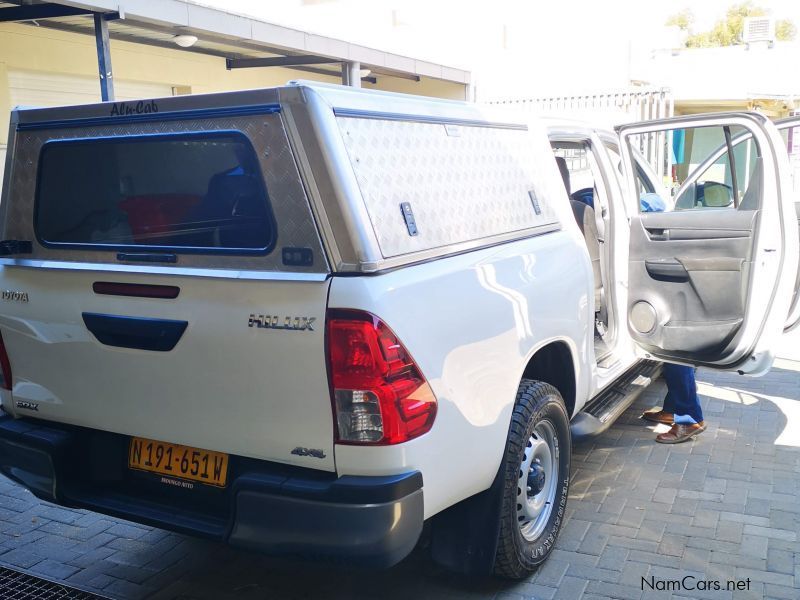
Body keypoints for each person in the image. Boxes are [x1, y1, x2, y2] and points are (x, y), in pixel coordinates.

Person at [638, 191, 706, 444]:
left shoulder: (659, 242)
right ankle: (672, 410)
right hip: (671, 304)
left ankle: (689, 420)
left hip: (672, 307)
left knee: (676, 356)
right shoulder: (665, 236)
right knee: (671, 356)